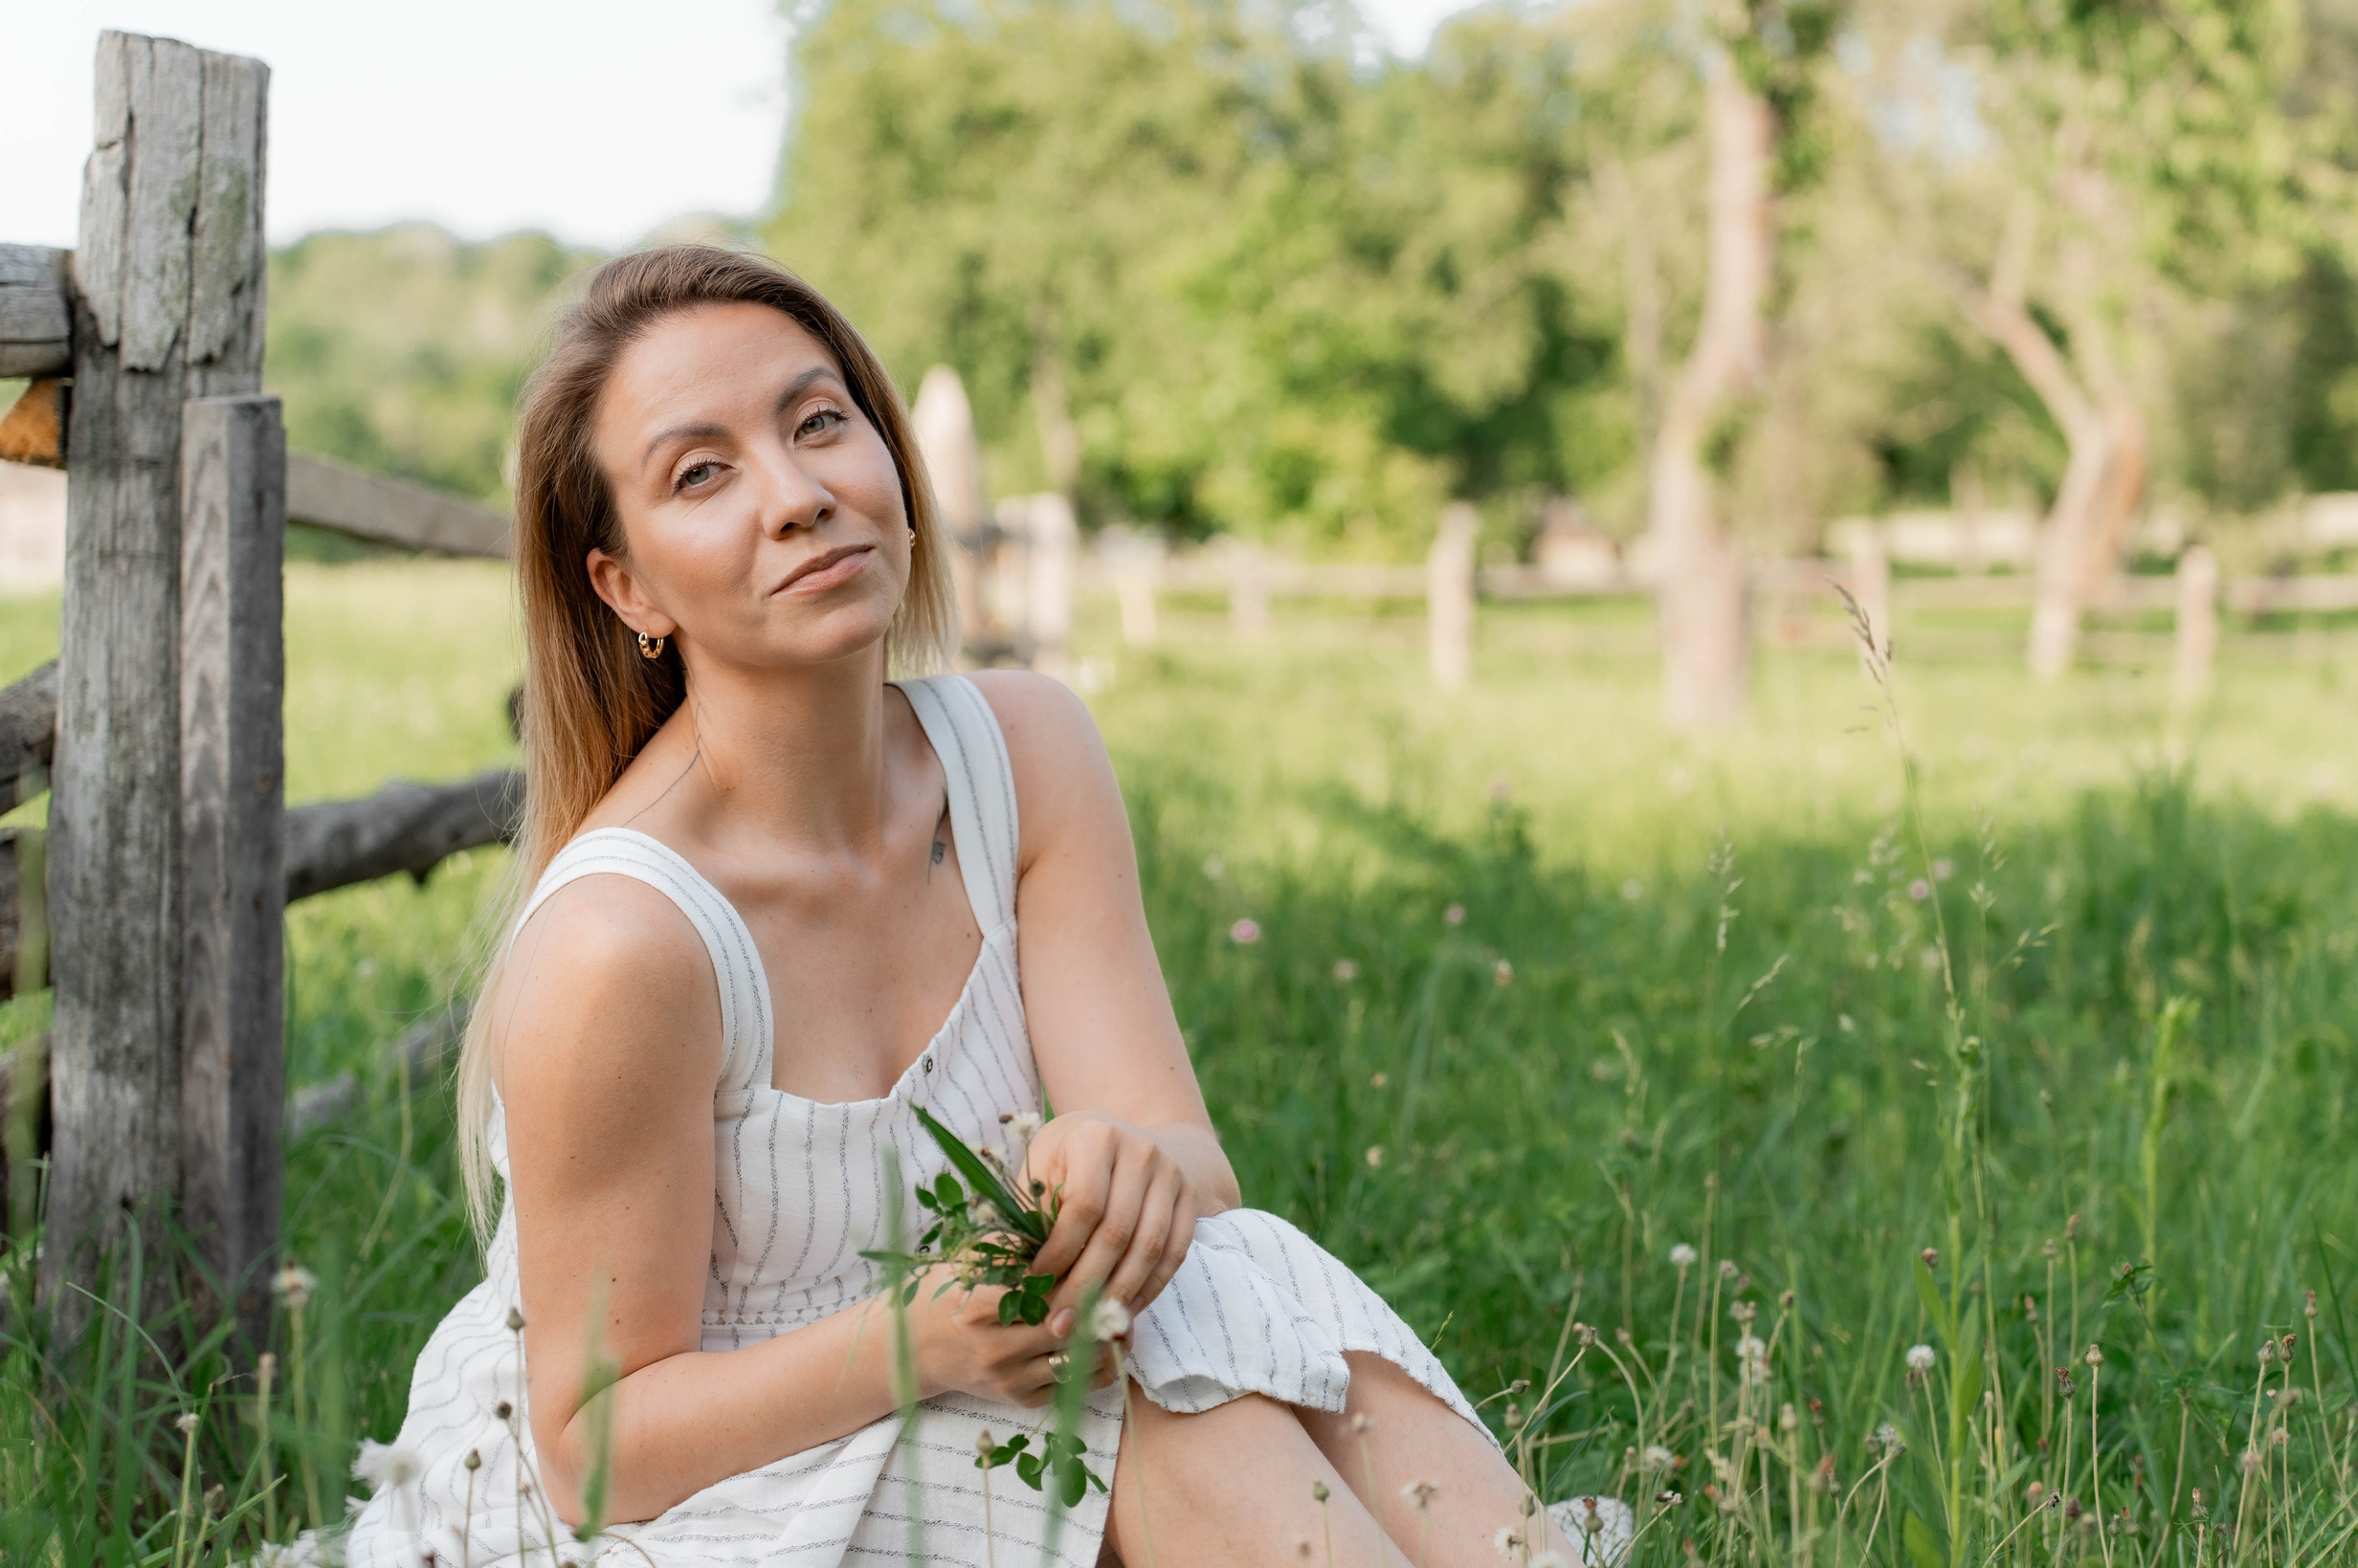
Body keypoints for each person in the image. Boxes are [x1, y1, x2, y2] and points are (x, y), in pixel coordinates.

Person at [345, 246, 1556, 1568]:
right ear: (626, 586)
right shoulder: (622, 943)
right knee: (1137, 1403)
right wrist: (919, 1339)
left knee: (1209, 1279)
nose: (799, 496)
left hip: (981, 1372)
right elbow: (593, 1449)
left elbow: (1197, 1171)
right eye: (702, 473)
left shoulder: (1027, 754)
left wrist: (1123, 1170)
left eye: (819, 423)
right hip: (682, 1500)